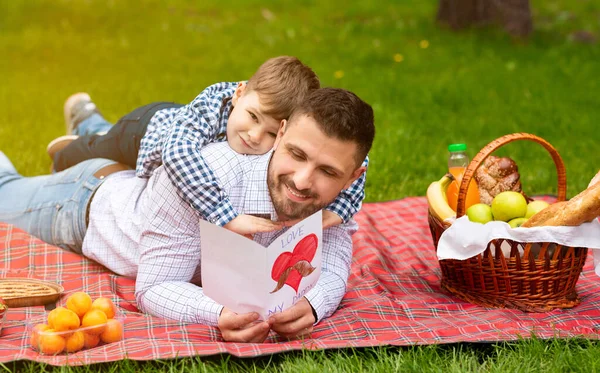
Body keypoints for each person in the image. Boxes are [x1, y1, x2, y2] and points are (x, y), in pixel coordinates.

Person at [0, 87, 375, 342]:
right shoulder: (202, 176)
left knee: (108, 137)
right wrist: (217, 314)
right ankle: (91, 137)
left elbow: (335, 259)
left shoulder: (338, 200)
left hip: (136, 181)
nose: (303, 180)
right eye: (296, 154)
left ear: (353, 177)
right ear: (280, 135)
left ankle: (90, 122)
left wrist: (314, 303)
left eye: (327, 172)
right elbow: (155, 288)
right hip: (84, 206)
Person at [48, 56, 369, 235]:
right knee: (99, 148)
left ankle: (89, 120)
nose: (256, 136)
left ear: (286, 129)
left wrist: (336, 213)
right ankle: (68, 150)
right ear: (239, 94)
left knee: (103, 138)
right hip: (146, 130)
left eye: (272, 134)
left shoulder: (296, 126)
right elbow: (178, 154)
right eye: (253, 117)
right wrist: (225, 216)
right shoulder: (214, 102)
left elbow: (353, 165)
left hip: (183, 124)